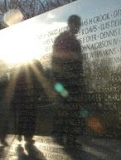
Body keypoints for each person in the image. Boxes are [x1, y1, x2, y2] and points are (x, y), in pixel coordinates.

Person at [51, 14, 85, 146]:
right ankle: (59, 135)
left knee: (73, 109)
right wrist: (57, 80)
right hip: (63, 82)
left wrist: (80, 80)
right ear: (70, 24)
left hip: (74, 82)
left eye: (79, 25)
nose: (77, 27)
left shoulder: (76, 42)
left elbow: (79, 63)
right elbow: (55, 60)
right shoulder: (61, 38)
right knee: (63, 108)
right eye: (76, 24)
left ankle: (71, 137)